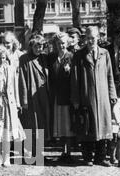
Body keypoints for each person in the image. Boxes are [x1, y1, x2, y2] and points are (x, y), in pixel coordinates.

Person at [70, 26, 117, 167]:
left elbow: (110, 75)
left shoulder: (105, 54)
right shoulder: (79, 55)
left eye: (93, 38)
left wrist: (112, 93)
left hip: (102, 97)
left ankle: (100, 157)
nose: (91, 41)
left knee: (103, 126)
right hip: (86, 96)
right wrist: (76, 99)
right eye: (88, 38)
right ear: (85, 39)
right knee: (88, 126)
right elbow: (75, 78)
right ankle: (87, 157)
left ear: (98, 38)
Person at [18, 34, 51, 154]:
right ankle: (30, 152)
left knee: (42, 124)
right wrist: (24, 100)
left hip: (44, 95)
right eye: (36, 46)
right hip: (31, 97)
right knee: (31, 124)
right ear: (31, 46)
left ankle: (39, 151)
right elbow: (21, 79)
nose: (39, 49)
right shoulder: (24, 58)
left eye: (41, 46)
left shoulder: (44, 58)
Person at [48, 32, 75, 163]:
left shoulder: (71, 56)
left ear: (67, 43)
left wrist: (69, 71)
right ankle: (62, 151)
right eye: (59, 43)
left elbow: (75, 78)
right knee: (59, 126)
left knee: (68, 126)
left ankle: (68, 152)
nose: (61, 45)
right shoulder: (51, 57)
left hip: (67, 96)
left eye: (63, 43)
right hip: (56, 96)